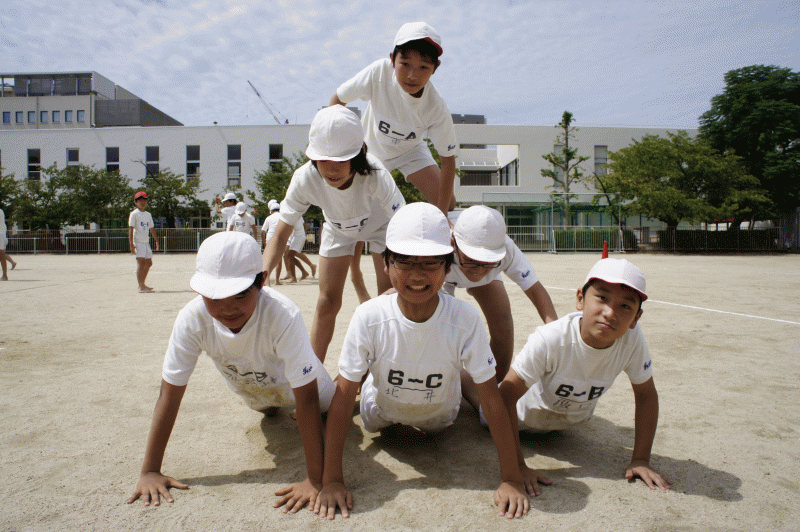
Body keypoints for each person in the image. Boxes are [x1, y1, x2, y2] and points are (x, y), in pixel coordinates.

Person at [314, 203, 531, 521]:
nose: (417, 274)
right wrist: (331, 480)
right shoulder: (370, 316)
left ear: (448, 267)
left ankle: (383, 370)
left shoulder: (465, 319)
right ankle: (364, 371)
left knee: (472, 377)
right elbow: (345, 399)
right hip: (379, 413)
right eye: (404, 261)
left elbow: (492, 400)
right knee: (349, 384)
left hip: (440, 418)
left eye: (430, 263)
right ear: (386, 264)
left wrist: (511, 477)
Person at [126, 231, 336, 511]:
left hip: (306, 387)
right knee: (268, 410)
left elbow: (308, 397)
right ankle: (274, 406)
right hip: (253, 389)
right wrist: (150, 470)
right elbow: (169, 393)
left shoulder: (282, 314)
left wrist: (315, 480)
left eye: (240, 295)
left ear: (262, 281)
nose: (227, 308)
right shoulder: (192, 319)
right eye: (214, 297)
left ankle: (348, 387)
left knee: (332, 410)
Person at [499, 258, 673, 495]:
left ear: (636, 318)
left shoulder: (631, 340)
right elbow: (504, 398)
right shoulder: (552, 338)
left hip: (564, 425)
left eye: (625, 306)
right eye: (602, 297)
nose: (610, 313)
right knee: (482, 399)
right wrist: (518, 466)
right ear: (580, 299)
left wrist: (641, 459)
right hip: (521, 418)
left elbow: (646, 396)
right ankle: (465, 380)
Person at [262, 105, 405, 363]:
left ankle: (383, 368)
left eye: (341, 159)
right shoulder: (305, 178)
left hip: (382, 229)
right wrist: (260, 275)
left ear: (361, 153)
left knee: (388, 301)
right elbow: (280, 236)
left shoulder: (376, 174)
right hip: (338, 230)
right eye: (323, 159)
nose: (331, 169)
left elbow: (404, 224)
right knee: (327, 302)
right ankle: (312, 372)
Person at [330, 21, 457, 215]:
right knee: (352, 209)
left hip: (410, 152)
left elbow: (448, 161)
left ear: (435, 67)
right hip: (370, 150)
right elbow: (338, 100)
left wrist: (442, 216)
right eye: (405, 64)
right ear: (392, 59)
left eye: (423, 67)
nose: (412, 75)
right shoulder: (379, 73)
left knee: (448, 203)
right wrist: (335, 148)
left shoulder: (435, 106)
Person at [445, 206, 558, 393]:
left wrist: (556, 333)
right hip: (442, 273)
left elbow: (535, 289)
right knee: (442, 328)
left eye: (487, 262)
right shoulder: (439, 247)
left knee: (503, 323)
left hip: (477, 273)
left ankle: (494, 386)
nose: (479, 270)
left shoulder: (506, 249)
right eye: (472, 260)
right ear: (452, 244)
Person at [128, 191, 159, 293]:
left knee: (149, 263)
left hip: (146, 242)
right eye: (140, 200)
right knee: (141, 263)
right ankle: (141, 286)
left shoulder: (148, 214)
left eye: (144, 200)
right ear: (136, 202)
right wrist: (131, 244)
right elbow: (131, 229)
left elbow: (152, 228)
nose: (142, 202)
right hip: (138, 241)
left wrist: (156, 240)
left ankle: (143, 283)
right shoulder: (134, 214)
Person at [282, 217, 317, 283]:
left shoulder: (291, 215)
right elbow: (304, 225)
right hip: (295, 236)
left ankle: (294, 277)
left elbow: (288, 228)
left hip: (297, 236)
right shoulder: (297, 215)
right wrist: (304, 233)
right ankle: (304, 271)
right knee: (290, 255)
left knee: (289, 255)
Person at [261, 200, 284, 285]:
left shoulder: (268, 218)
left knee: (267, 259)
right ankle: (277, 280)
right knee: (279, 260)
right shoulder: (283, 216)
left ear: (271, 210)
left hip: (269, 239)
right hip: (279, 238)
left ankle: (266, 280)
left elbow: (262, 231)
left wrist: (264, 243)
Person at [0, 207, 17, 281]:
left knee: (2, 255)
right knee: (2, 256)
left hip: (0, 235)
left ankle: (5, 275)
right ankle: (5, 275)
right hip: (2, 235)